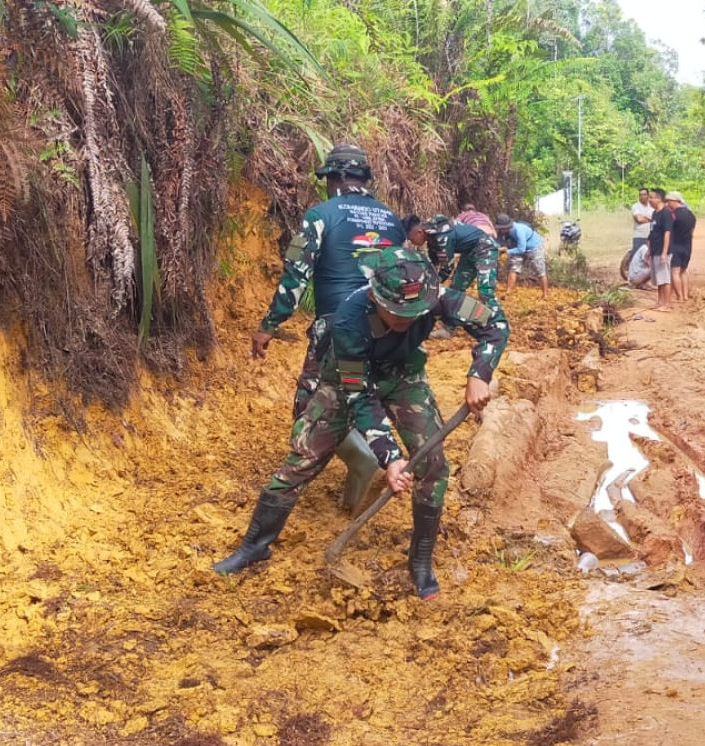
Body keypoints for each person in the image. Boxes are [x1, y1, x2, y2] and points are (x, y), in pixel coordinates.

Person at [214, 247, 509, 599]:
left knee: (433, 463)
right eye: (399, 314)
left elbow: (495, 324)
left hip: (404, 378)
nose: (409, 321)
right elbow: (361, 398)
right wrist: (390, 457)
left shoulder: (438, 297)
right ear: (376, 296)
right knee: (303, 458)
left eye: (416, 314)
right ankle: (255, 546)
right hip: (345, 384)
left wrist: (480, 372)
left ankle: (420, 559)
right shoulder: (349, 319)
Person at [250, 143, 402, 512]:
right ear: (364, 179)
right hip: (385, 330)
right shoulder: (391, 220)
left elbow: (296, 277)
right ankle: (354, 496)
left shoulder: (321, 215)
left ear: (334, 179)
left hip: (336, 328)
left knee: (309, 408)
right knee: (361, 398)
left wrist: (270, 324)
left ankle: (363, 459)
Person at [402, 214, 503, 316]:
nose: (412, 242)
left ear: (419, 232)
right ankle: (449, 327)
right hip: (469, 252)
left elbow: (447, 269)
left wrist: (430, 286)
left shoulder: (440, 236)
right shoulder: (431, 236)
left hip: (485, 249)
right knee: (456, 290)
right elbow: (433, 264)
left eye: (411, 239)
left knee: (485, 292)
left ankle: (499, 325)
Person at [495, 214, 549, 299]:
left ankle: (545, 295)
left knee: (540, 270)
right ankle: (508, 292)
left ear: (507, 227)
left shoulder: (518, 230)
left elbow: (521, 249)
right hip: (516, 247)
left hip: (534, 247)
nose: (501, 230)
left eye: (502, 228)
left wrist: (506, 251)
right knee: (514, 268)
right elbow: (499, 243)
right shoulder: (502, 232)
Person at [645, 188, 673, 311]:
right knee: (658, 278)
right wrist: (649, 250)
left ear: (659, 199)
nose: (649, 200)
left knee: (665, 277)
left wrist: (664, 252)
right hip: (655, 249)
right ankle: (660, 301)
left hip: (663, 250)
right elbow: (652, 233)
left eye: (651, 197)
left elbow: (667, 233)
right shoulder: (655, 213)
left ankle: (666, 304)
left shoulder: (666, 213)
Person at [666, 191, 696, 301]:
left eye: (668, 201)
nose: (667, 204)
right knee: (684, 271)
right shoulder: (690, 214)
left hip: (675, 246)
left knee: (675, 272)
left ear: (674, 201)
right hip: (687, 246)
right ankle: (685, 295)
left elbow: (668, 232)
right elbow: (692, 231)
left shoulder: (672, 215)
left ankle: (679, 297)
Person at [631, 188, 653, 253]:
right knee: (637, 257)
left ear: (648, 196)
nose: (642, 197)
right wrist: (651, 219)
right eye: (640, 195)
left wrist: (644, 216)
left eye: (644, 194)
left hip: (651, 236)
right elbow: (639, 219)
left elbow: (656, 218)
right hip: (639, 236)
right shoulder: (635, 206)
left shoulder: (652, 206)